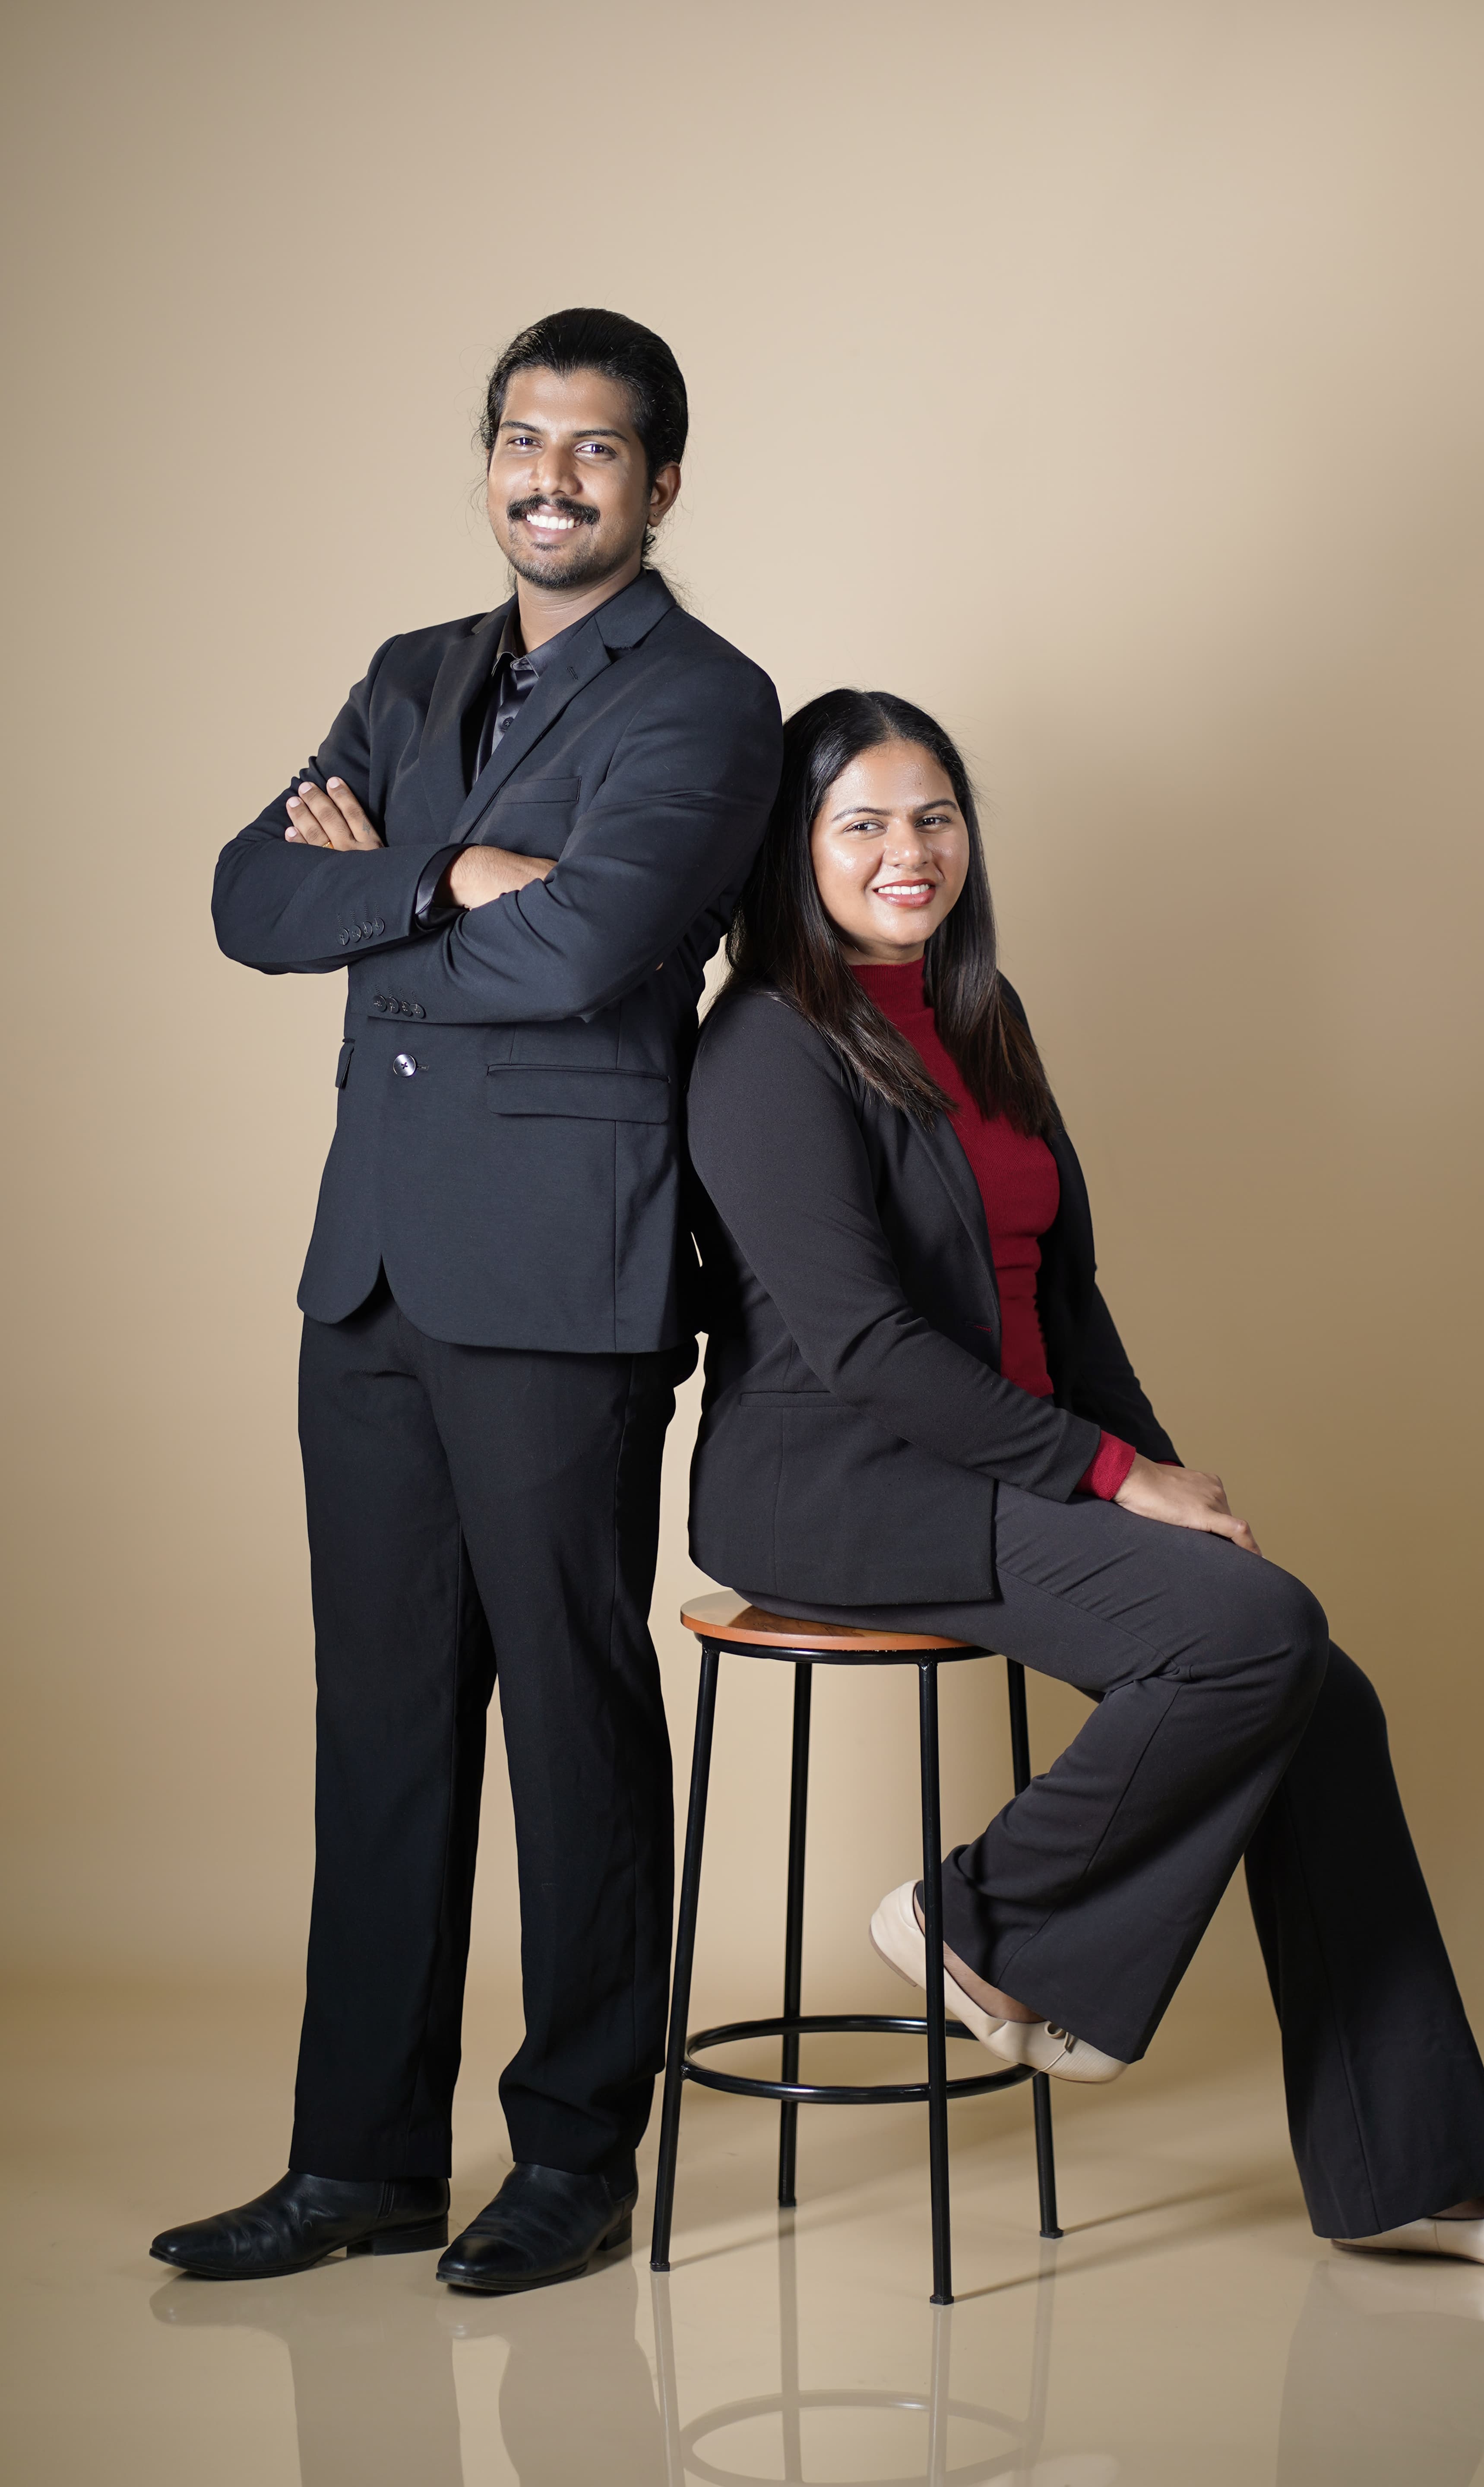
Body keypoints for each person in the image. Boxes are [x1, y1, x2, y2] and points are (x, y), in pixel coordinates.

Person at [685, 688, 1484, 2274]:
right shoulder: (764, 1046)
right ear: (796, 850)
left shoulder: (983, 1016)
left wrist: (1163, 1478)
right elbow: (868, 1350)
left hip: (1000, 1462)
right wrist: (1107, 1476)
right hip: (839, 1485)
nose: (910, 853)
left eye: (935, 818)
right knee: (1264, 1634)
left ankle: (1415, 2175)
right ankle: (982, 1924)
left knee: (1316, 1686)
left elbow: (1068, 1297)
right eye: (864, 824)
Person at [151, 310, 782, 2295]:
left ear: (660, 482)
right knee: (383, 1726)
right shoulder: (410, 672)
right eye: (524, 439)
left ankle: (576, 2157)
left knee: (574, 1725)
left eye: (595, 449)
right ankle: (360, 2162)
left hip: (563, 1276)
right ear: (490, 459)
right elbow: (249, 897)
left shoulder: (709, 703)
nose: (551, 478)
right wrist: (451, 874)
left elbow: (592, 950)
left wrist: (386, 891)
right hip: (371, 1273)